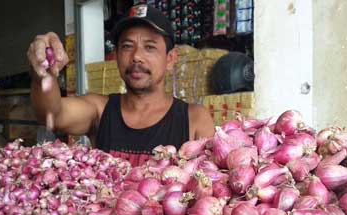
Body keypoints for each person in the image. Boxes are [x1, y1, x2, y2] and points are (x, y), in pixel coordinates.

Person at [28, 4, 215, 166]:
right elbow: (51, 114)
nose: (136, 56)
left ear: (170, 59)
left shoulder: (194, 119)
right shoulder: (100, 110)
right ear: (116, 55)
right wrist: (43, 73)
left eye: (149, 47)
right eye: (127, 46)